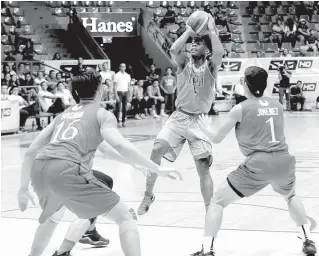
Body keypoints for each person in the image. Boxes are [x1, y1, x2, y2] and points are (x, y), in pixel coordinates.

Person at [17, 69, 182, 256]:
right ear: (100, 90)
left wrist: (23, 188)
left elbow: (31, 151)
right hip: (68, 170)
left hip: (41, 172)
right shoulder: (102, 114)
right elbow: (119, 143)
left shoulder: (63, 116)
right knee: (126, 217)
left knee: (51, 220)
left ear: (76, 92)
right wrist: (155, 167)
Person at [192, 66, 317, 256]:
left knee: (217, 201)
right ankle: (308, 240)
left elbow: (216, 139)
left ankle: (207, 250)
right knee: (291, 196)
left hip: (257, 163)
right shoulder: (278, 105)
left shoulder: (239, 109)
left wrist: (204, 127)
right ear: (265, 84)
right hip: (284, 159)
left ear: (244, 83)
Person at [137, 13, 224, 215]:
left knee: (203, 166)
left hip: (198, 121)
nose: (193, 45)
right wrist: (189, 31)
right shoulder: (183, 64)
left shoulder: (211, 67)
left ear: (207, 50)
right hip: (179, 116)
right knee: (157, 148)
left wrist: (210, 28)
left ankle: (209, 209)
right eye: (192, 43)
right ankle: (148, 194)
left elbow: (219, 53)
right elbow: (175, 48)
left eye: (199, 43)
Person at [114, 63, 131, 127]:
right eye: (121, 66)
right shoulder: (116, 75)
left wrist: (130, 95)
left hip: (125, 92)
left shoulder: (128, 75)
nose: (123, 68)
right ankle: (118, 121)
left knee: (124, 108)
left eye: (124, 66)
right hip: (119, 92)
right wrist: (116, 95)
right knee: (118, 108)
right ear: (119, 67)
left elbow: (129, 86)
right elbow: (115, 86)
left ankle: (123, 121)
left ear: (125, 67)